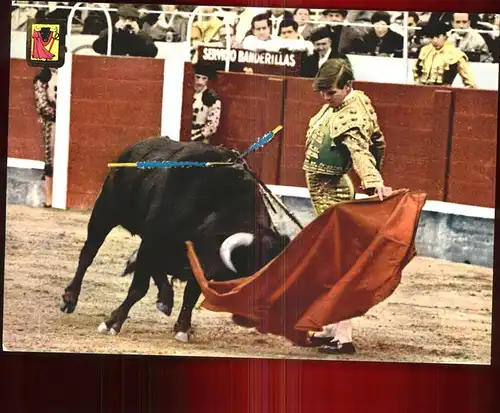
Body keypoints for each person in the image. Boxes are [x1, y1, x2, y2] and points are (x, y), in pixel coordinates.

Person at [302, 58, 393, 354]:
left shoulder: (351, 114)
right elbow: (378, 141)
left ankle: (344, 336)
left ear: (349, 87)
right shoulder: (345, 104)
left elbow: (361, 151)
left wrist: (373, 180)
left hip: (332, 194)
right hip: (326, 193)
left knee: (339, 264)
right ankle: (331, 328)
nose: (325, 99)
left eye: (331, 93)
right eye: (323, 93)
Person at [413, 21, 476, 87]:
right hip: (423, 91)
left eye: (437, 36)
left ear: (445, 36)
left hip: (443, 92)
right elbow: (416, 71)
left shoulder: (455, 53)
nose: (434, 40)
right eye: (431, 37)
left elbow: (470, 82)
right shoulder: (425, 50)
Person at [33, 65, 58, 208]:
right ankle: (49, 200)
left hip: (58, 121)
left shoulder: (64, 73)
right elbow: (42, 106)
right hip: (51, 123)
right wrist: (60, 114)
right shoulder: (42, 78)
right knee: (50, 160)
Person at [191, 63, 221, 144]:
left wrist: (198, 136)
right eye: (197, 77)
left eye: (204, 78)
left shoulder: (211, 98)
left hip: (200, 140)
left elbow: (212, 126)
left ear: (207, 80)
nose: (200, 82)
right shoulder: (187, 93)